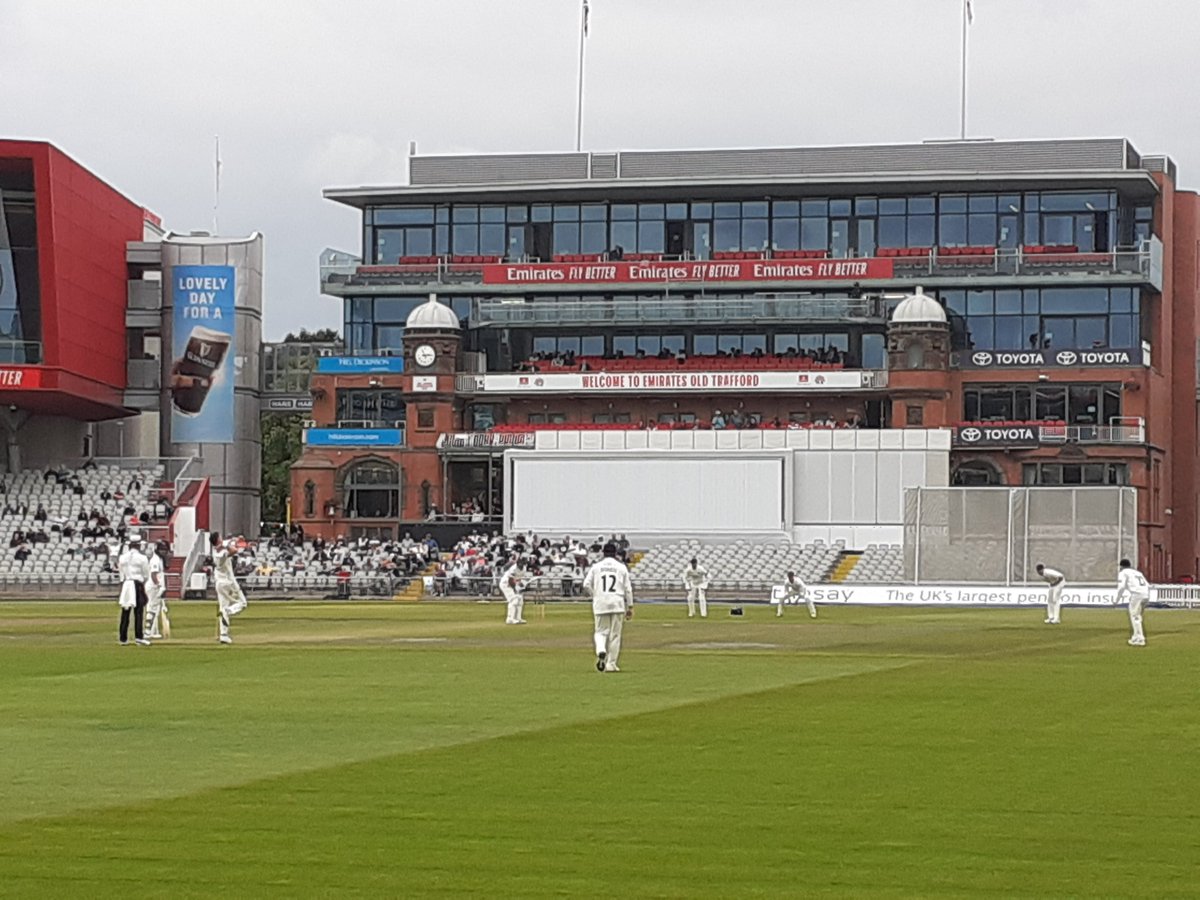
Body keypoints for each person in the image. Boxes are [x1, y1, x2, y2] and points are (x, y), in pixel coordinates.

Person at [583, 541, 634, 673]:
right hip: (617, 602)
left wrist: (595, 595)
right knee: (615, 635)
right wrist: (630, 606)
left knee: (600, 631)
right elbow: (628, 589)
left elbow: (586, 584)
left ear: (603, 553)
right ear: (615, 553)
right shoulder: (621, 567)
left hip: (601, 603)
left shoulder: (596, 567)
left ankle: (601, 650)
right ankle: (611, 664)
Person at [211, 532, 248, 644]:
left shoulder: (216, 550)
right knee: (242, 603)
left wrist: (236, 539)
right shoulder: (220, 554)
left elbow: (231, 543)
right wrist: (226, 544)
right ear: (218, 540)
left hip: (219, 584)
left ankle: (223, 635)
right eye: (220, 538)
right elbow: (234, 551)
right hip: (229, 582)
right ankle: (229, 610)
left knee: (223, 606)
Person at [117, 537, 151, 646]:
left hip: (126, 583)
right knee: (139, 612)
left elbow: (121, 572)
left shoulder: (123, 557)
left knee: (125, 611)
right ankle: (139, 637)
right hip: (137, 583)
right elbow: (146, 574)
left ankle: (123, 638)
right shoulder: (142, 558)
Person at [1116, 558, 1151, 647]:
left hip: (1137, 594)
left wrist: (1117, 599)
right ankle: (1136, 636)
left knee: (1135, 616)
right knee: (1137, 616)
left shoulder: (1124, 573)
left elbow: (1121, 587)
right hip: (1145, 594)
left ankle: (1139, 638)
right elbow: (1147, 584)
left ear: (1121, 566)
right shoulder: (1137, 572)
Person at [144, 541, 168, 639]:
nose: (165, 552)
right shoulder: (155, 560)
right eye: (163, 550)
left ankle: (152, 631)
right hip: (154, 587)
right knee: (152, 609)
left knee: (155, 609)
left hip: (156, 586)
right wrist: (159, 586)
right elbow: (154, 575)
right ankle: (148, 632)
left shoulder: (159, 559)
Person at [500, 557, 530, 625]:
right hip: (506, 584)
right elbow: (510, 581)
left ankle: (518, 618)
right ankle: (510, 619)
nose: (521, 564)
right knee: (514, 600)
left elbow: (518, 579)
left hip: (513, 583)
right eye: (520, 563)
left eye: (523, 563)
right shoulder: (513, 569)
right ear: (518, 563)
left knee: (520, 601)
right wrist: (515, 589)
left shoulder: (524, 568)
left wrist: (521, 585)